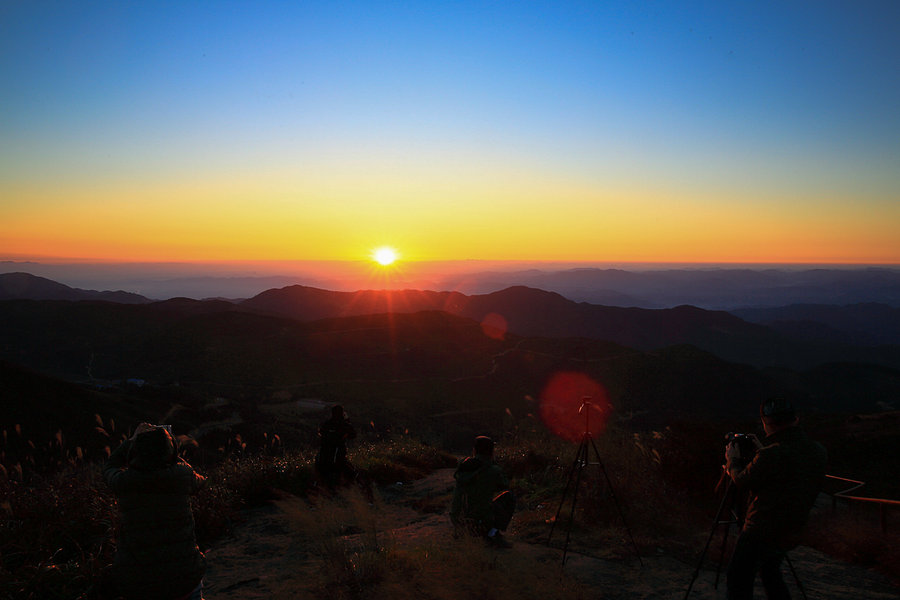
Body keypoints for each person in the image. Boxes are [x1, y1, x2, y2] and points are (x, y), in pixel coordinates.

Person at [724, 398, 828, 600]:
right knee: (770, 572)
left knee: (738, 577)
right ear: (796, 419)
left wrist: (732, 461)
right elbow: (787, 472)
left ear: (765, 422)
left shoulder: (771, 455)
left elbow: (742, 481)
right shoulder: (818, 451)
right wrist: (762, 450)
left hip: (761, 528)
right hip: (792, 527)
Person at [103, 423, 206, 600]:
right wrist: (172, 450)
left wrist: (132, 441)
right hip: (185, 577)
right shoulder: (183, 476)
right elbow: (201, 480)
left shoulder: (125, 482)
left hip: (140, 583)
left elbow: (110, 466)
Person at [450, 435, 515, 546]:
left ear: (474, 450)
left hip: (458, 520)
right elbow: (504, 485)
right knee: (509, 497)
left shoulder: (463, 466)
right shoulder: (494, 470)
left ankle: (461, 532)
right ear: (491, 452)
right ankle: (492, 533)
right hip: (479, 523)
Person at [315, 405, 357, 487]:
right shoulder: (344, 425)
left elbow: (320, 434)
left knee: (323, 473)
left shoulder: (327, 424)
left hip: (325, 455)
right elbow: (353, 435)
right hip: (337, 454)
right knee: (348, 471)